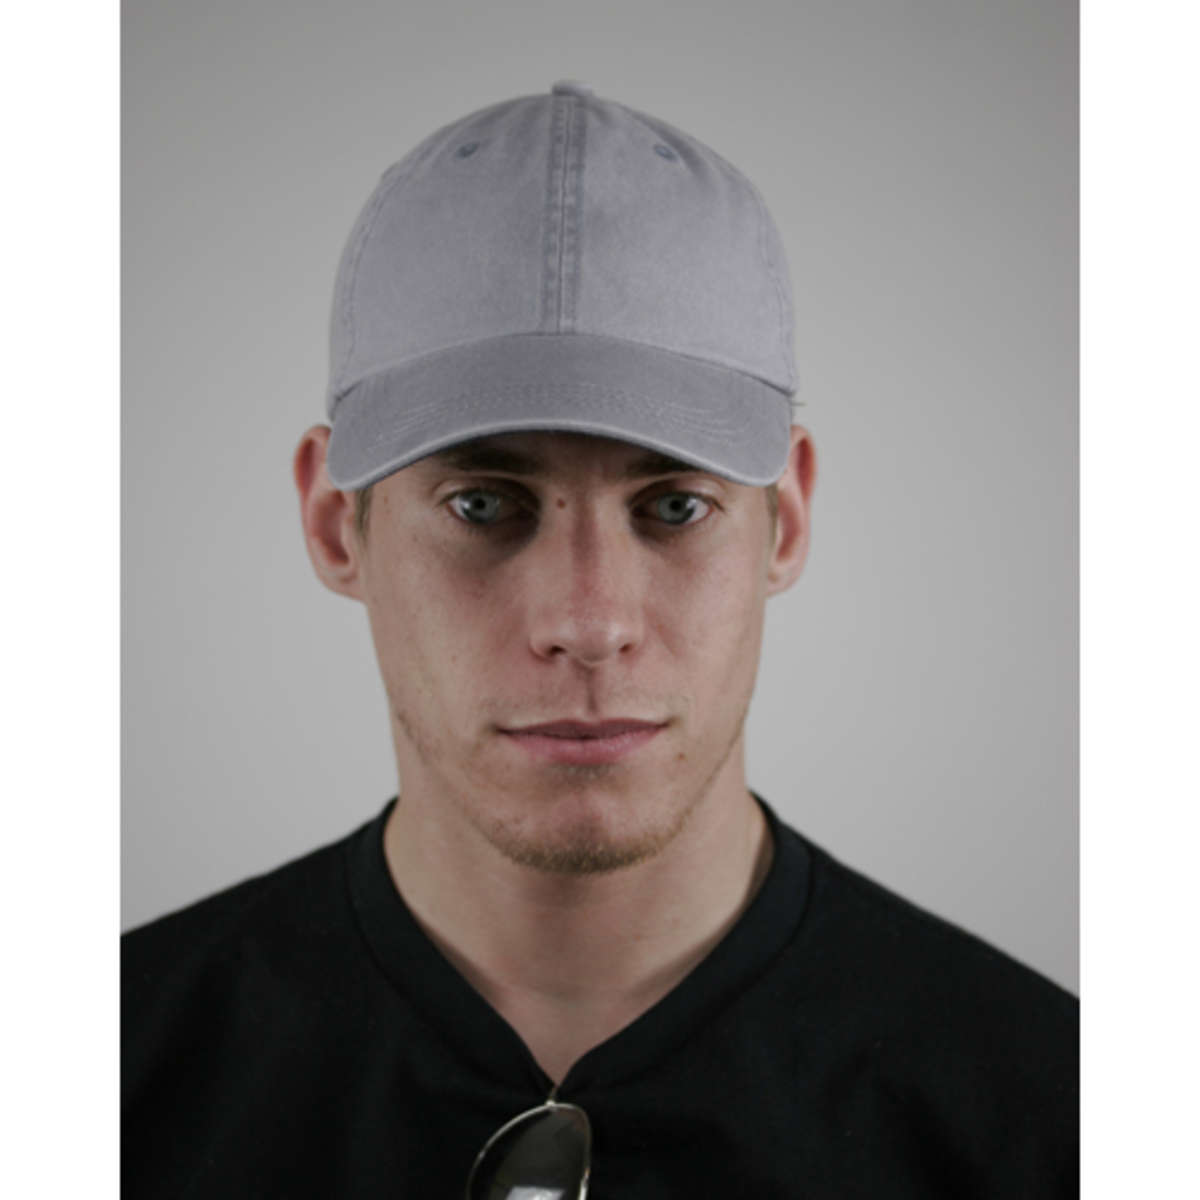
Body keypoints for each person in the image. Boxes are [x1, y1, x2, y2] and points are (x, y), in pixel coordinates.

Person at [122, 81, 1078, 1197]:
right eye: (485, 504)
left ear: (787, 520)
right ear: (338, 524)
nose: (588, 624)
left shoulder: (1061, 1122)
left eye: (674, 505)